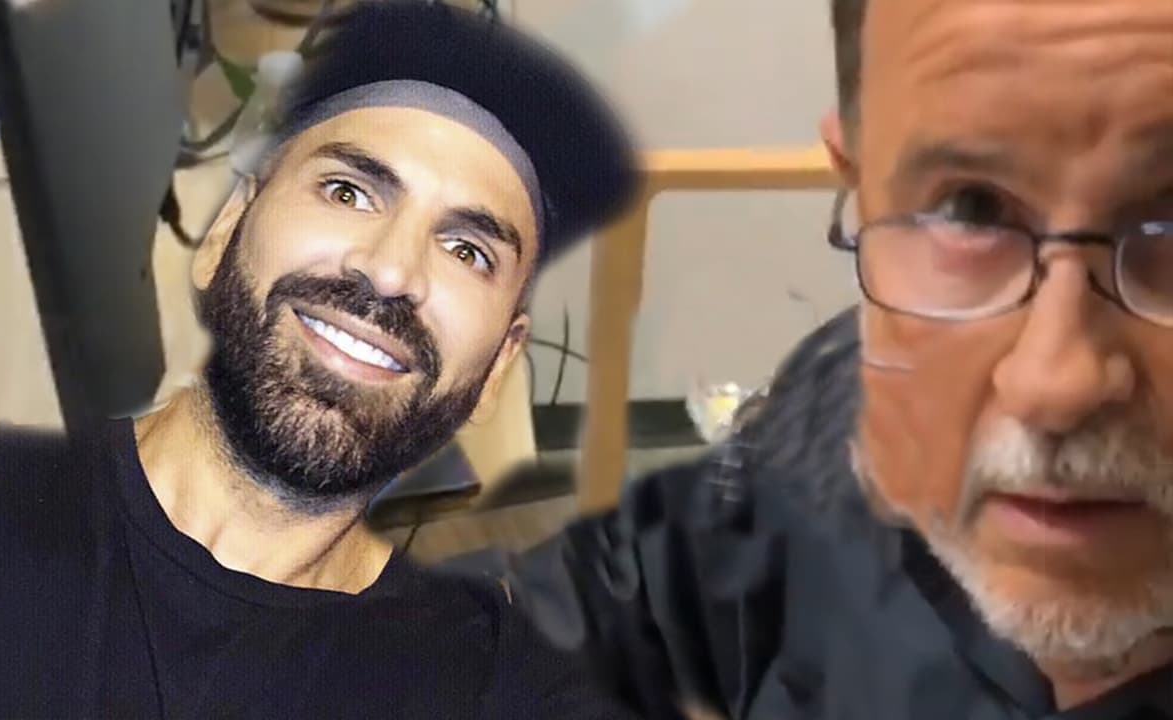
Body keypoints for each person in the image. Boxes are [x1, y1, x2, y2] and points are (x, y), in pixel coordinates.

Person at [0, 2, 639, 717]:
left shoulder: (498, 681)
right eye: (348, 191)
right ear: (225, 229)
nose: (390, 271)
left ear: (501, 364)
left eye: (466, 250)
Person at [495, 0, 1173, 717]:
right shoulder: (844, 401)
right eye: (970, 209)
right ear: (857, 178)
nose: (1053, 383)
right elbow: (616, 594)